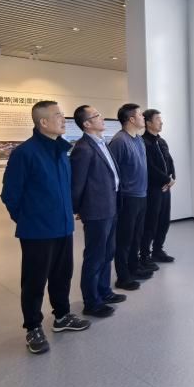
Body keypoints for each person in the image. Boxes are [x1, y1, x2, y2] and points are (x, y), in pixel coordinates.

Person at [1, 100, 90, 355]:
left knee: (62, 275)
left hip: (63, 227)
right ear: (43, 122)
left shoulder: (61, 151)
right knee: (34, 281)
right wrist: (28, 219)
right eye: (58, 115)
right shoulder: (25, 153)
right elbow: (10, 195)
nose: (63, 119)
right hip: (37, 230)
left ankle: (62, 316)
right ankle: (33, 327)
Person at [70, 105, 127, 318]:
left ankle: (104, 291)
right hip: (96, 211)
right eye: (97, 116)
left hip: (111, 206)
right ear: (87, 124)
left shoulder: (102, 142)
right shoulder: (83, 148)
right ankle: (92, 302)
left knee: (107, 252)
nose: (102, 118)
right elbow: (77, 184)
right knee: (95, 256)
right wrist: (77, 208)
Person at [109, 103, 152, 290]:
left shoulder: (138, 140)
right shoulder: (119, 141)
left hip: (141, 194)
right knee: (124, 239)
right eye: (140, 115)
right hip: (127, 197)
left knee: (136, 236)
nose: (143, 118)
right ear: (131, 119)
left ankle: (134, 268)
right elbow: (111, 172)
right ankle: (123, 276)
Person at [141, 109, 176, 268]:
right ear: (148, 123)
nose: (161, 122)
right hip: (153, 189)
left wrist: (172, 178)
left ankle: (158, 250)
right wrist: (166, 179)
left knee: (164, 220)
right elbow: (149, 167)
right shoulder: (143, 142)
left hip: (166, 188)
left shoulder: (161, 141)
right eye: (157, 119)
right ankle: (144, 254)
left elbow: (170, 161)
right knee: (151, 222)